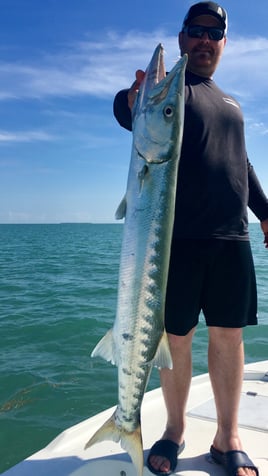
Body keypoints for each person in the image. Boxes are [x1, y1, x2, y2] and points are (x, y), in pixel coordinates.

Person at [113, 2, 268, 475]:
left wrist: (265, 212)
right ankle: (175, 429)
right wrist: (132, 96)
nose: (204, 40)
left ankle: (227, 437)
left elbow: (241, 163)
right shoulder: (172, 92)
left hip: (231, 239)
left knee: (228, 337)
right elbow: (128, 111)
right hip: (176, 239)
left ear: (223, 43)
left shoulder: (231, 102)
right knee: (176, 339)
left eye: (213, 33)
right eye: (196, 31)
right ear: (183, 39)